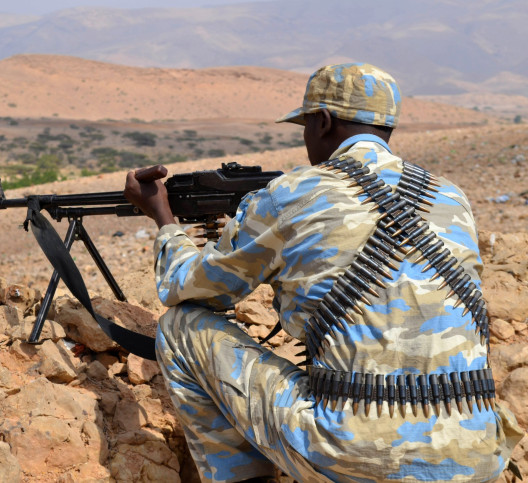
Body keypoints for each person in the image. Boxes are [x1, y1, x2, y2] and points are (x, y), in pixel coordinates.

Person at [123, 62, 523, 482]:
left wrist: (163, 217)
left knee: (182, 325)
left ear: (323, 121)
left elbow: (188, 287)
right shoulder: (451, 196)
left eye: (306, 125)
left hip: (355, 458)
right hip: (474, 455)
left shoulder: (294, 192)